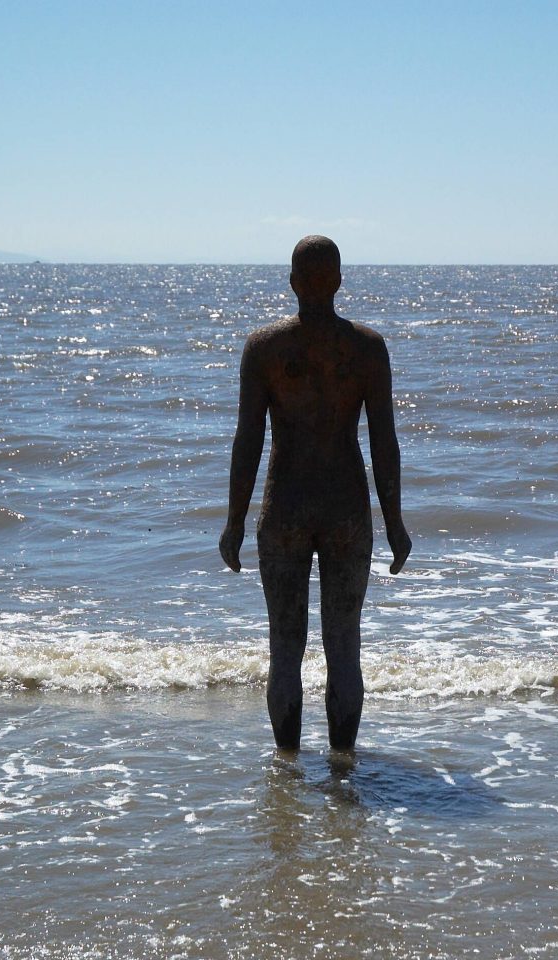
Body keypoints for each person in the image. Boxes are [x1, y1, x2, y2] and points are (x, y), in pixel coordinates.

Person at [220, 235, 412, 752]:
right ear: (339, 282)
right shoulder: (367, 349)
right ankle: (342, 769)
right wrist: (395, 523)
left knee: (285, 648)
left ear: (292, 282)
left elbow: (248, 441)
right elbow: (384, 443)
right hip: (346, 508)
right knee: (343, 645)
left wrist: (235, 521)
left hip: (284, 507)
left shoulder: (264, 348)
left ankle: (287, 768)